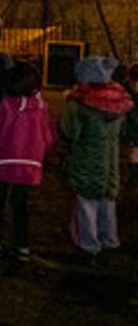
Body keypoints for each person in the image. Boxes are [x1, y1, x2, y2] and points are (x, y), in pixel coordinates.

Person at [0, 61, 55, 260]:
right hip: (30, 164)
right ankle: (22, 245)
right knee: (21, 206)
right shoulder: (42, 108)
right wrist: (44, 153)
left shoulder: (7, 104)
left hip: (5, 161)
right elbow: (49, 136)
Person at [60, 55, 133, 263]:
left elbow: (69, 131)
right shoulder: (120, 101)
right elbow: (124, 131)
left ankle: (89, 246)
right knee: (107, 203)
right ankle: (109, 240)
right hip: (110, 162)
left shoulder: (79, 103)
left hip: (85, 160)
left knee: (86, 205)